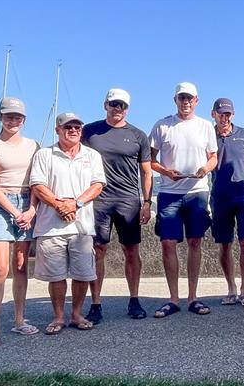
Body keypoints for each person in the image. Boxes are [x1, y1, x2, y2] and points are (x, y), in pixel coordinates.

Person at [30, 112, 106, 335]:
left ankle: (76, 314)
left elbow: (97, 185)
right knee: (56, 276)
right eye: (68, 127)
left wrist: (76, 204)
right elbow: (38, 185)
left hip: (82, 226)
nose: (73, 130)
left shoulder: (91, 155)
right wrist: (59, 205)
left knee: (83, 274)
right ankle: (58, 317)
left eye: (77, 127)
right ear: (58, 130)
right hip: (50, 226)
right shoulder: (44, 155)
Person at [81, 88, 152, 323]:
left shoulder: (138, 135)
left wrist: (146, 202)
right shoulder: (89, 132)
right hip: (98, 200)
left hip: (128, 200)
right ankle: (96, 303)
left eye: (121, 105)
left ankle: (134, 299)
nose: (117, 109)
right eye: (113, 104)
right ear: (105, 105)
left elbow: (146, 172)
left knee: (131, 251)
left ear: (127, 108)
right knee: (98, 250)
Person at [149, 82, 218, 318]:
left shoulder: (206, 126)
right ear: (175, 100)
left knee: (195, 243)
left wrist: (205, 169)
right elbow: (150, 160)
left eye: (189, 98)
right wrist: (166, 172)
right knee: (168, 243)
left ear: (196, 101)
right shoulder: (162, 125)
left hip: (197, 191)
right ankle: (173, 299)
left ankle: (193, 297)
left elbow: (213, 157)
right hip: (169, 192)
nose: (185, 102)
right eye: (181, 98)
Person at [0, 97, 40, 348]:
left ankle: (19, 319)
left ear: (24, 120)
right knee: (1, 268)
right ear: (0, 117)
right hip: (1, 204)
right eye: (8, 116)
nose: (13, 120)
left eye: (17, 117)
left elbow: (37, 181)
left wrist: (32, 209)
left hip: (27, 201)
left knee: (21, 266)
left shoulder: (34, 146)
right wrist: (15, 211)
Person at [209, 98, 244, 307]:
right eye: (221, 113)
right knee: (224, 245)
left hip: (243, 196)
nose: (224, 117)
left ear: (233, 115)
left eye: (228, 114)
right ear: (213, 114)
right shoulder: (207, 135)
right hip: (219, 197)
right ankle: (231, 288)